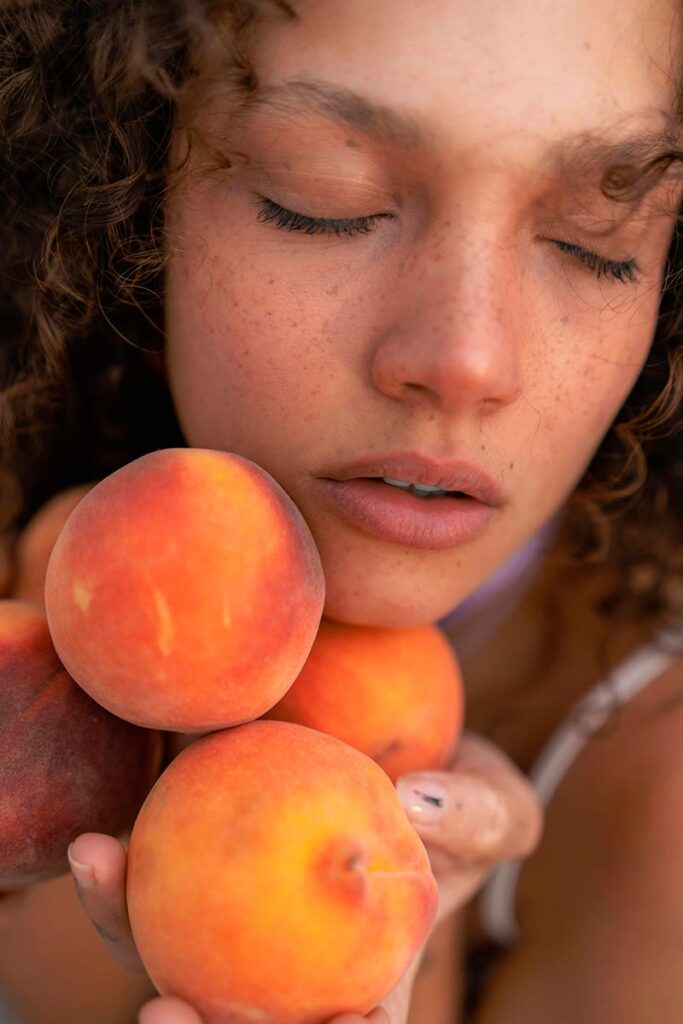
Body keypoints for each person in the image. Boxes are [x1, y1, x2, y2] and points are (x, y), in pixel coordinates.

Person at [1, 0, 681, 1021]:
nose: (464, 362)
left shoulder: (660, 822)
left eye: (597, 239)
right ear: (132, 195)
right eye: (327, 197)